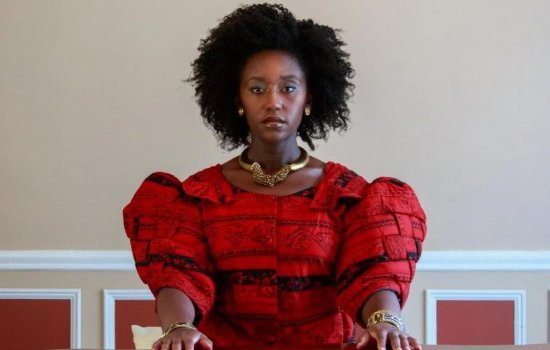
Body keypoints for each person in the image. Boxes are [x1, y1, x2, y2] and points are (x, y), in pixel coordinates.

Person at [123, 3, 426, 350]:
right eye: (256, 89)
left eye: (288, 88)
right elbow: (179, 273)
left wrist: (384, 320)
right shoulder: (197, 197)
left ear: (309, 98)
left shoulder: (348, 195)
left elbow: (373, 270)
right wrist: (177, 327)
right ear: (237, 98)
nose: (273, 102)